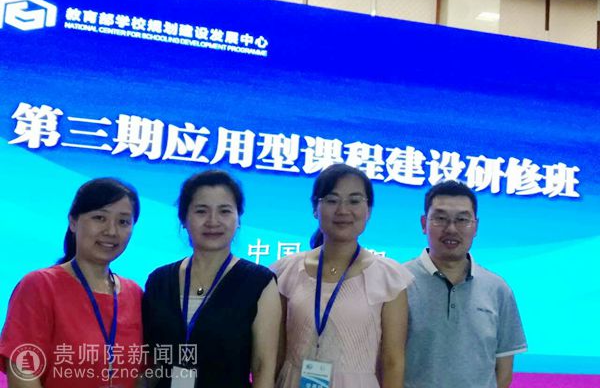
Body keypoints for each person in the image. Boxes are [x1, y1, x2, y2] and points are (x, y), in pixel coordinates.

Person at [272, 163, 413, 388]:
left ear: (369, 210)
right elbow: (276, 351)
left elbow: (392, 362)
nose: (343, 210)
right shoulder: (286, 271)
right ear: (315, 208)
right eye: (332, 200)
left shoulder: (388, 278)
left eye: (354, 201)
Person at [0, 178, 143, 388]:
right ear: (73, 222)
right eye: (99, 218)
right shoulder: (40, 286)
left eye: (123, 222)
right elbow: (23, 372)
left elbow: (144, 374)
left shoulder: (135, 294)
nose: (111, 231)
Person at [142, 170, 280, 388]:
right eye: (201, 211)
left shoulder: (259, 282)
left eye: (224, 211)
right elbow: (151, 362)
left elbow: (262, 367)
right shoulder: (159, 280)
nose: (213, 221)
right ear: (184, 219)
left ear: (238, 218)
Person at [403, 180, 527, 388]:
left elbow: (503, 371)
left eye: (462, 219)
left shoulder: (497, 289)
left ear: (475, 226)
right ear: (424, 224)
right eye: (440, 218)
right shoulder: (398, 282)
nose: (451, 229)